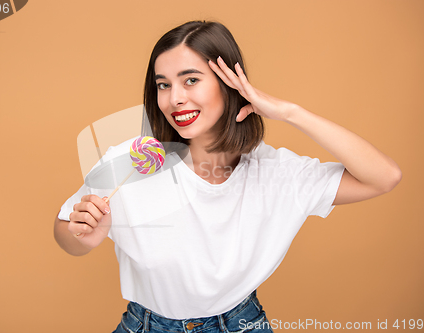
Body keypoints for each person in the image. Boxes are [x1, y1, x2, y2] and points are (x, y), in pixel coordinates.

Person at [54, 20, 402, 332]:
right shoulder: (130, 162)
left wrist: (290, 112)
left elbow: (383, 177)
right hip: (146, 325)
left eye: (191, 80)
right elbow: (66, 232)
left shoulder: (275, 173)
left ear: (229, 85)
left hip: (241, 323)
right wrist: (81, 235)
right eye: (163, 85)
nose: (174, 99)